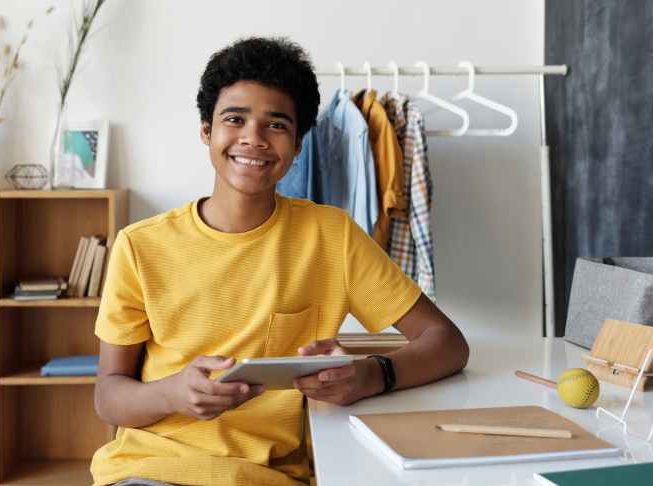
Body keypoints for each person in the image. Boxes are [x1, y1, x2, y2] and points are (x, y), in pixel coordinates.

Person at [92, 37, 469, 486]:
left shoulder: (332, 236)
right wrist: (173, 393)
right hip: (151, 470)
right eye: (235, 119)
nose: (253, 138)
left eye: (276, 125)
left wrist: (369, 375)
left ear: (297, 145)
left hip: (273, 477)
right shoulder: (140, 246)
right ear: (206, 131)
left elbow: (446, 341)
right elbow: (109, 396)